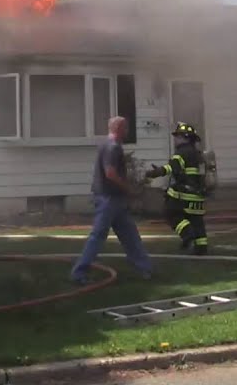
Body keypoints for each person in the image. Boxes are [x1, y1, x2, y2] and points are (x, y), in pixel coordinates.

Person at [70, 116, 154, 284]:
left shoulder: (105, 144)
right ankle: (79, 273)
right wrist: (127, 188)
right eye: (126, 128)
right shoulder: (113, 147)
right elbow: (110, 173)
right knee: (98, 235)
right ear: (119, 128)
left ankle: (145, 268)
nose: (127, 131)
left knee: (130, 234)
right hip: (109, 198)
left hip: (114, 199)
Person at [146, 122, 211, 254]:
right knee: (197, 222)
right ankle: (201, 248)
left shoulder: (181, 153)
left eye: (178, 136)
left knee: (170, 213)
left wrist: (155, 173)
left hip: (185, 195)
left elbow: (171, 168)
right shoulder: (198, 154)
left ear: (185, 138)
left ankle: (187, 234)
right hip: (198, 196)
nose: (175, 139)